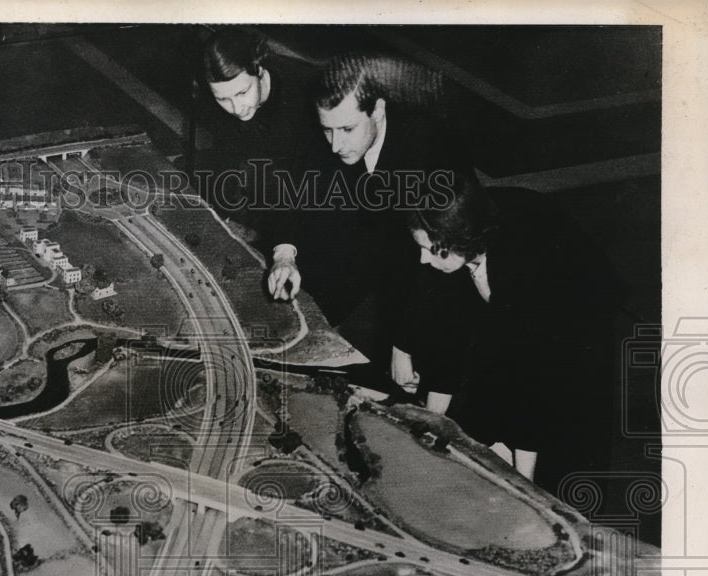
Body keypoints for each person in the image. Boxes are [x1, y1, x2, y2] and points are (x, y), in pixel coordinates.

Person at [392, 171, 626, 491]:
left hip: (581, 306)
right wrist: (431, 424)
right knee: (490, 388)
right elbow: (449, 332)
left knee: (564, 450)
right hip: (517, 288)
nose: (422, 258)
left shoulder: (522, 268)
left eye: (429, 249)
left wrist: (524, 481)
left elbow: (530, 384)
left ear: (461, 243)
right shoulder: (451, 239)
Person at [264, 52, 470, 379]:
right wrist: (285, 255)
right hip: (354, 253)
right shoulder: (331, 128)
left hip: (416, 269)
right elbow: (291, 187)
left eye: (347, 129)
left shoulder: (429, 150)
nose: (335, 145)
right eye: (328, 130)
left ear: (378, 109)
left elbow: (440, 265)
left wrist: (404, 344)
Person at [199, 28, 315, 243]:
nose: (236, 108)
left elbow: (311, 181)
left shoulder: (304, 95)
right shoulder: (221, 98)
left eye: (242, 93)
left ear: (259, 70)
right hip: (272, 177)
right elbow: (226, 158)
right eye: (223, 99)